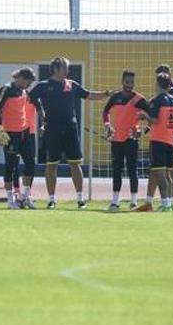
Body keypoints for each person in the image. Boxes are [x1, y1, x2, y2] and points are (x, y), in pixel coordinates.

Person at [29, 57, 112, 210]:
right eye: (64, 67)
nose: (67, 70)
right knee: (51, 165)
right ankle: (51, 200)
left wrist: (106, 94)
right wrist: (40, 113)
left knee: (75, 164)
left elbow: (88, 95)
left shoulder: (71, 84)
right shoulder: (43, 86)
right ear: (55, 69)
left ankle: (80, 200)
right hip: (52, 129)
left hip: (70, 129)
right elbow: (30, 98)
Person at [101, 70, 150, 211]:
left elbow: (153, 118)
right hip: (116, 139)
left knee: (132, 170)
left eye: (132, 82)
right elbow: (105, 112)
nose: (129, 85)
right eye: (127, 82)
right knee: (117, 170)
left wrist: (143, 131)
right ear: (122, 81)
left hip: (131, 140)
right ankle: (115, 201)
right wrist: (107, 125)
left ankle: (134, 201)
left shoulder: (140, 99)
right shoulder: (116, 97)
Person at [0, 67, 37, 209]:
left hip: (24, 131)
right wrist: (0, 130)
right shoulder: (6, 89)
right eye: (28, 83)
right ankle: (10, 199)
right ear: (21, 78)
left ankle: (25, 196)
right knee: (10, 166)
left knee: (30, 163)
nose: (28, 86)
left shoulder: (24, 91)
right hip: (10, 133)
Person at [137, 73, 173, 212]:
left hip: (159, 140)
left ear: (157, 84)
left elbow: (155, 120)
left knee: (161, 174)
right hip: (171, 140)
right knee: (166, 173)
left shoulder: (158, 100)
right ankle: (168, 202)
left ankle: (165, 204)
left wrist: (145, 116)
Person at [145, 64, 173, 206]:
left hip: (169, 134)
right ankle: (149, 201)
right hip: (167, 134)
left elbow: (158, 116)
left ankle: (168, 202)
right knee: (157, 169)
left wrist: (146, 114)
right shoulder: (167, 98)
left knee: (167, 171)